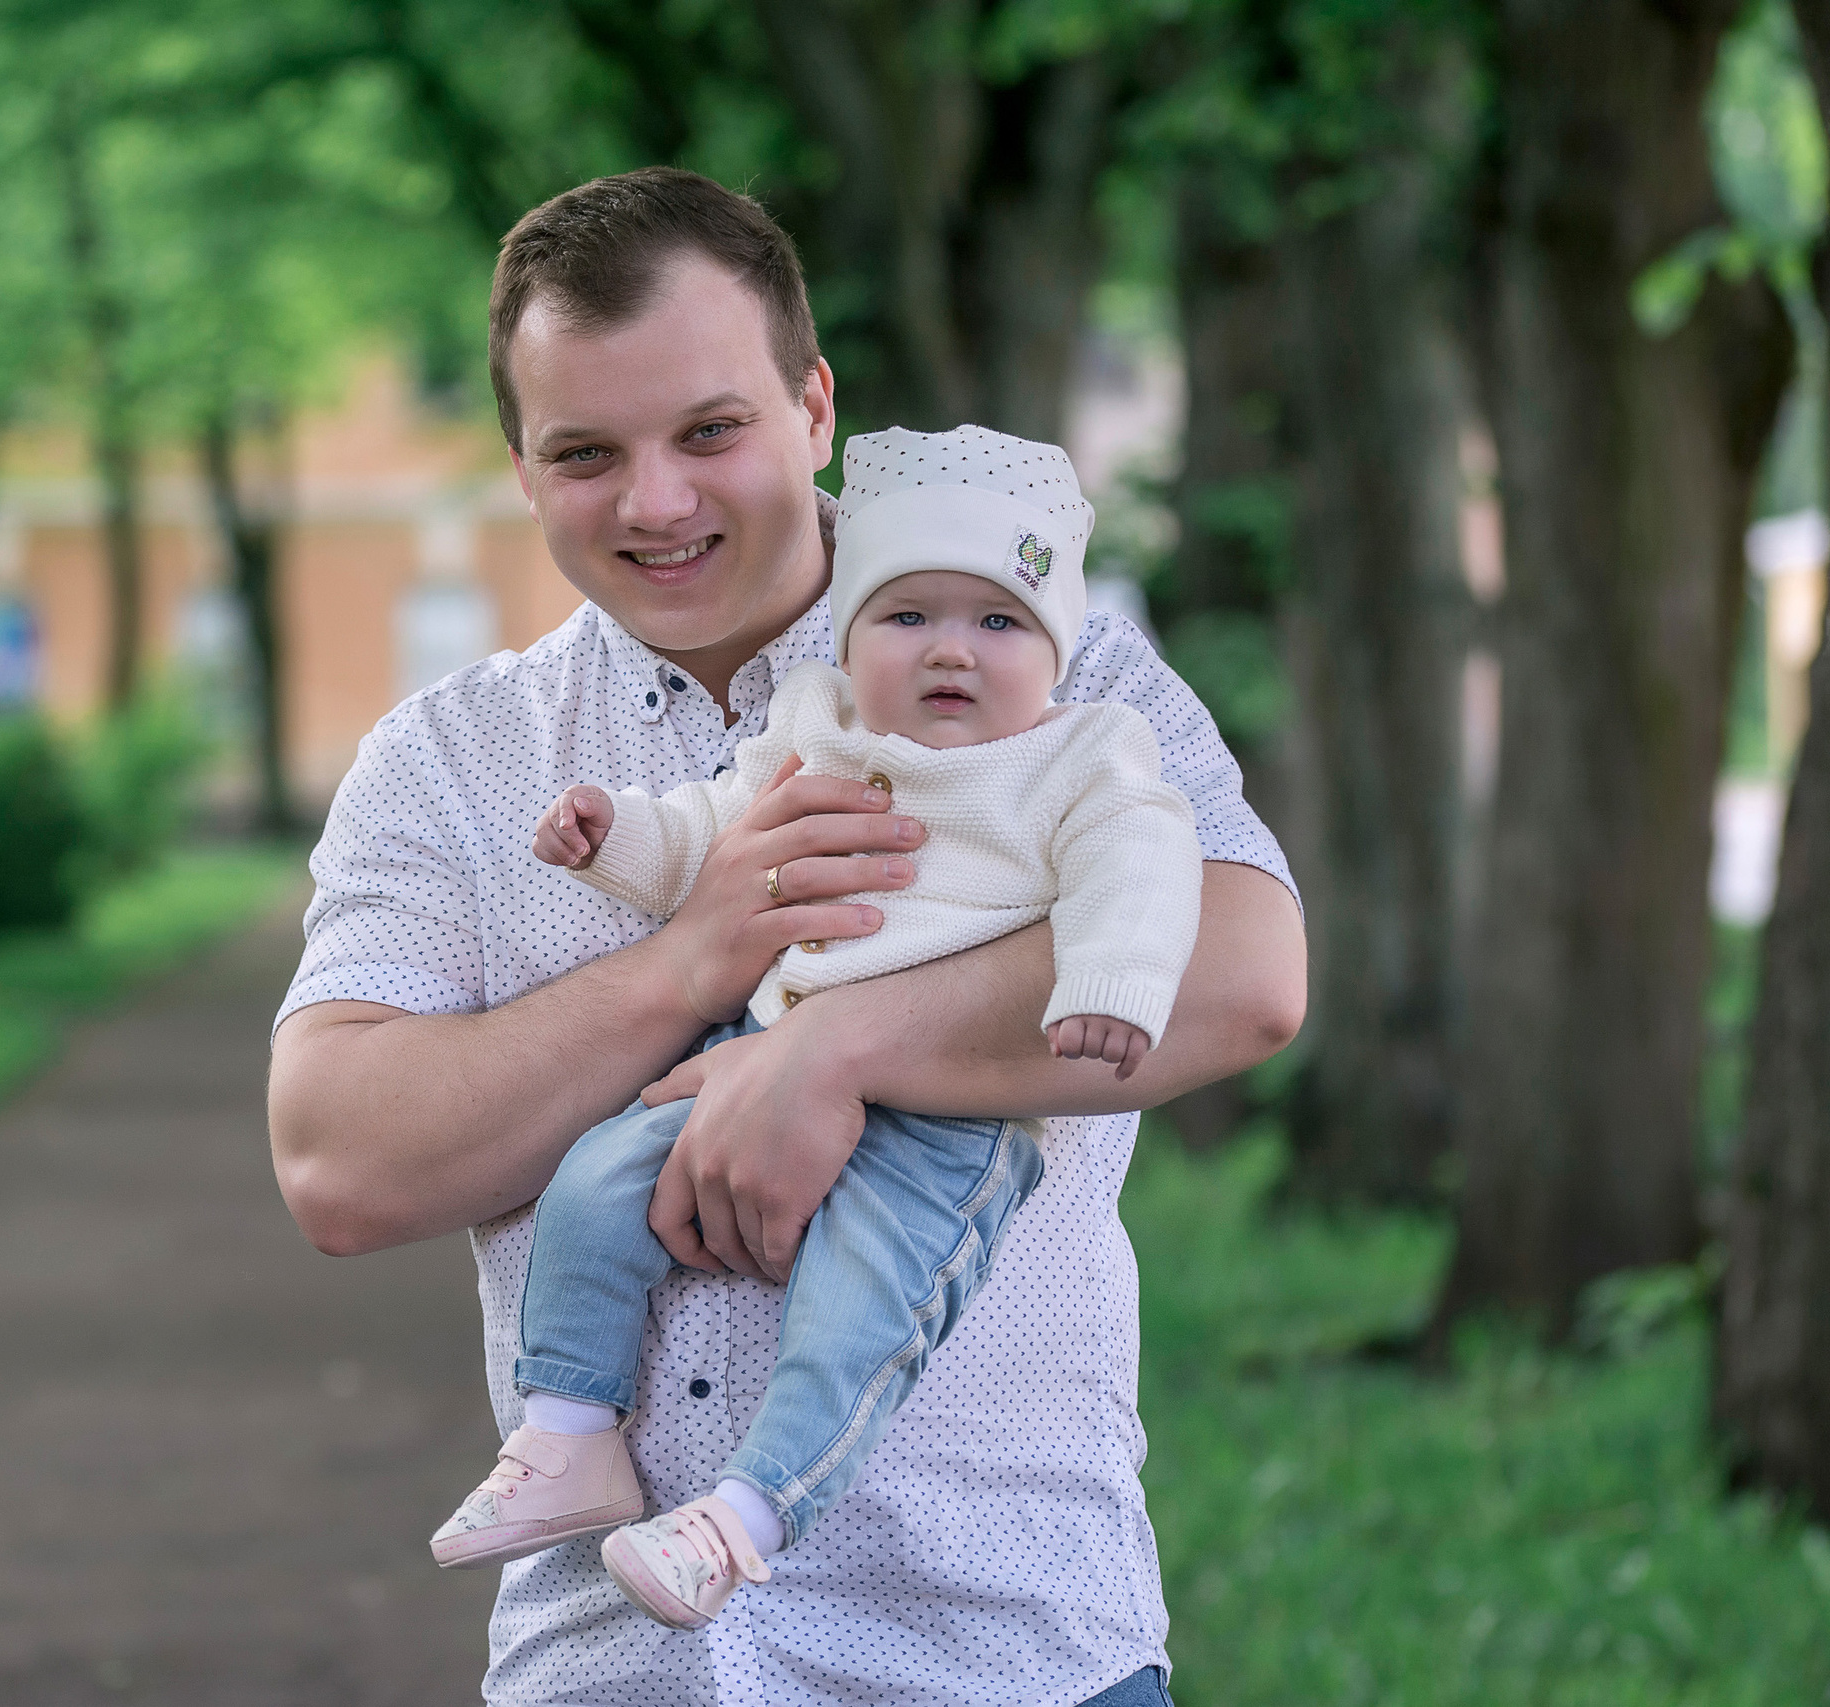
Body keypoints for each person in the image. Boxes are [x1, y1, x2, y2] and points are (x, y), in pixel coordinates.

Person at [268, 167, 1306, 1706]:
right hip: (605, 1669)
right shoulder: (450, 760)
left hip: (1007, 1648)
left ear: (815, 408)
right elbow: (341, 1159)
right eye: (585, 453)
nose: (657, 502)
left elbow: (1243, 974)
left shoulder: (1049, 663)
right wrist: (687, 962)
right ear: (521, 467)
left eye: (709, 431)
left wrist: (830, 1046)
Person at [430, 424, 1205, 1638]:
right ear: (851, 639)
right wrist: (616, 836)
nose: (951, 647)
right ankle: (570, 1431)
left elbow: (1141, 861)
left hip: (943, 1121)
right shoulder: (820, 725)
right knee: (596, 1182)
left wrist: (1107, 978)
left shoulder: (1078, 753)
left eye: (998, 622)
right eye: (907, 618)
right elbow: (709, 828)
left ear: (1052, 647)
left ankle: (742, 1518)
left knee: (856, 1314)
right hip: (745, 1049)